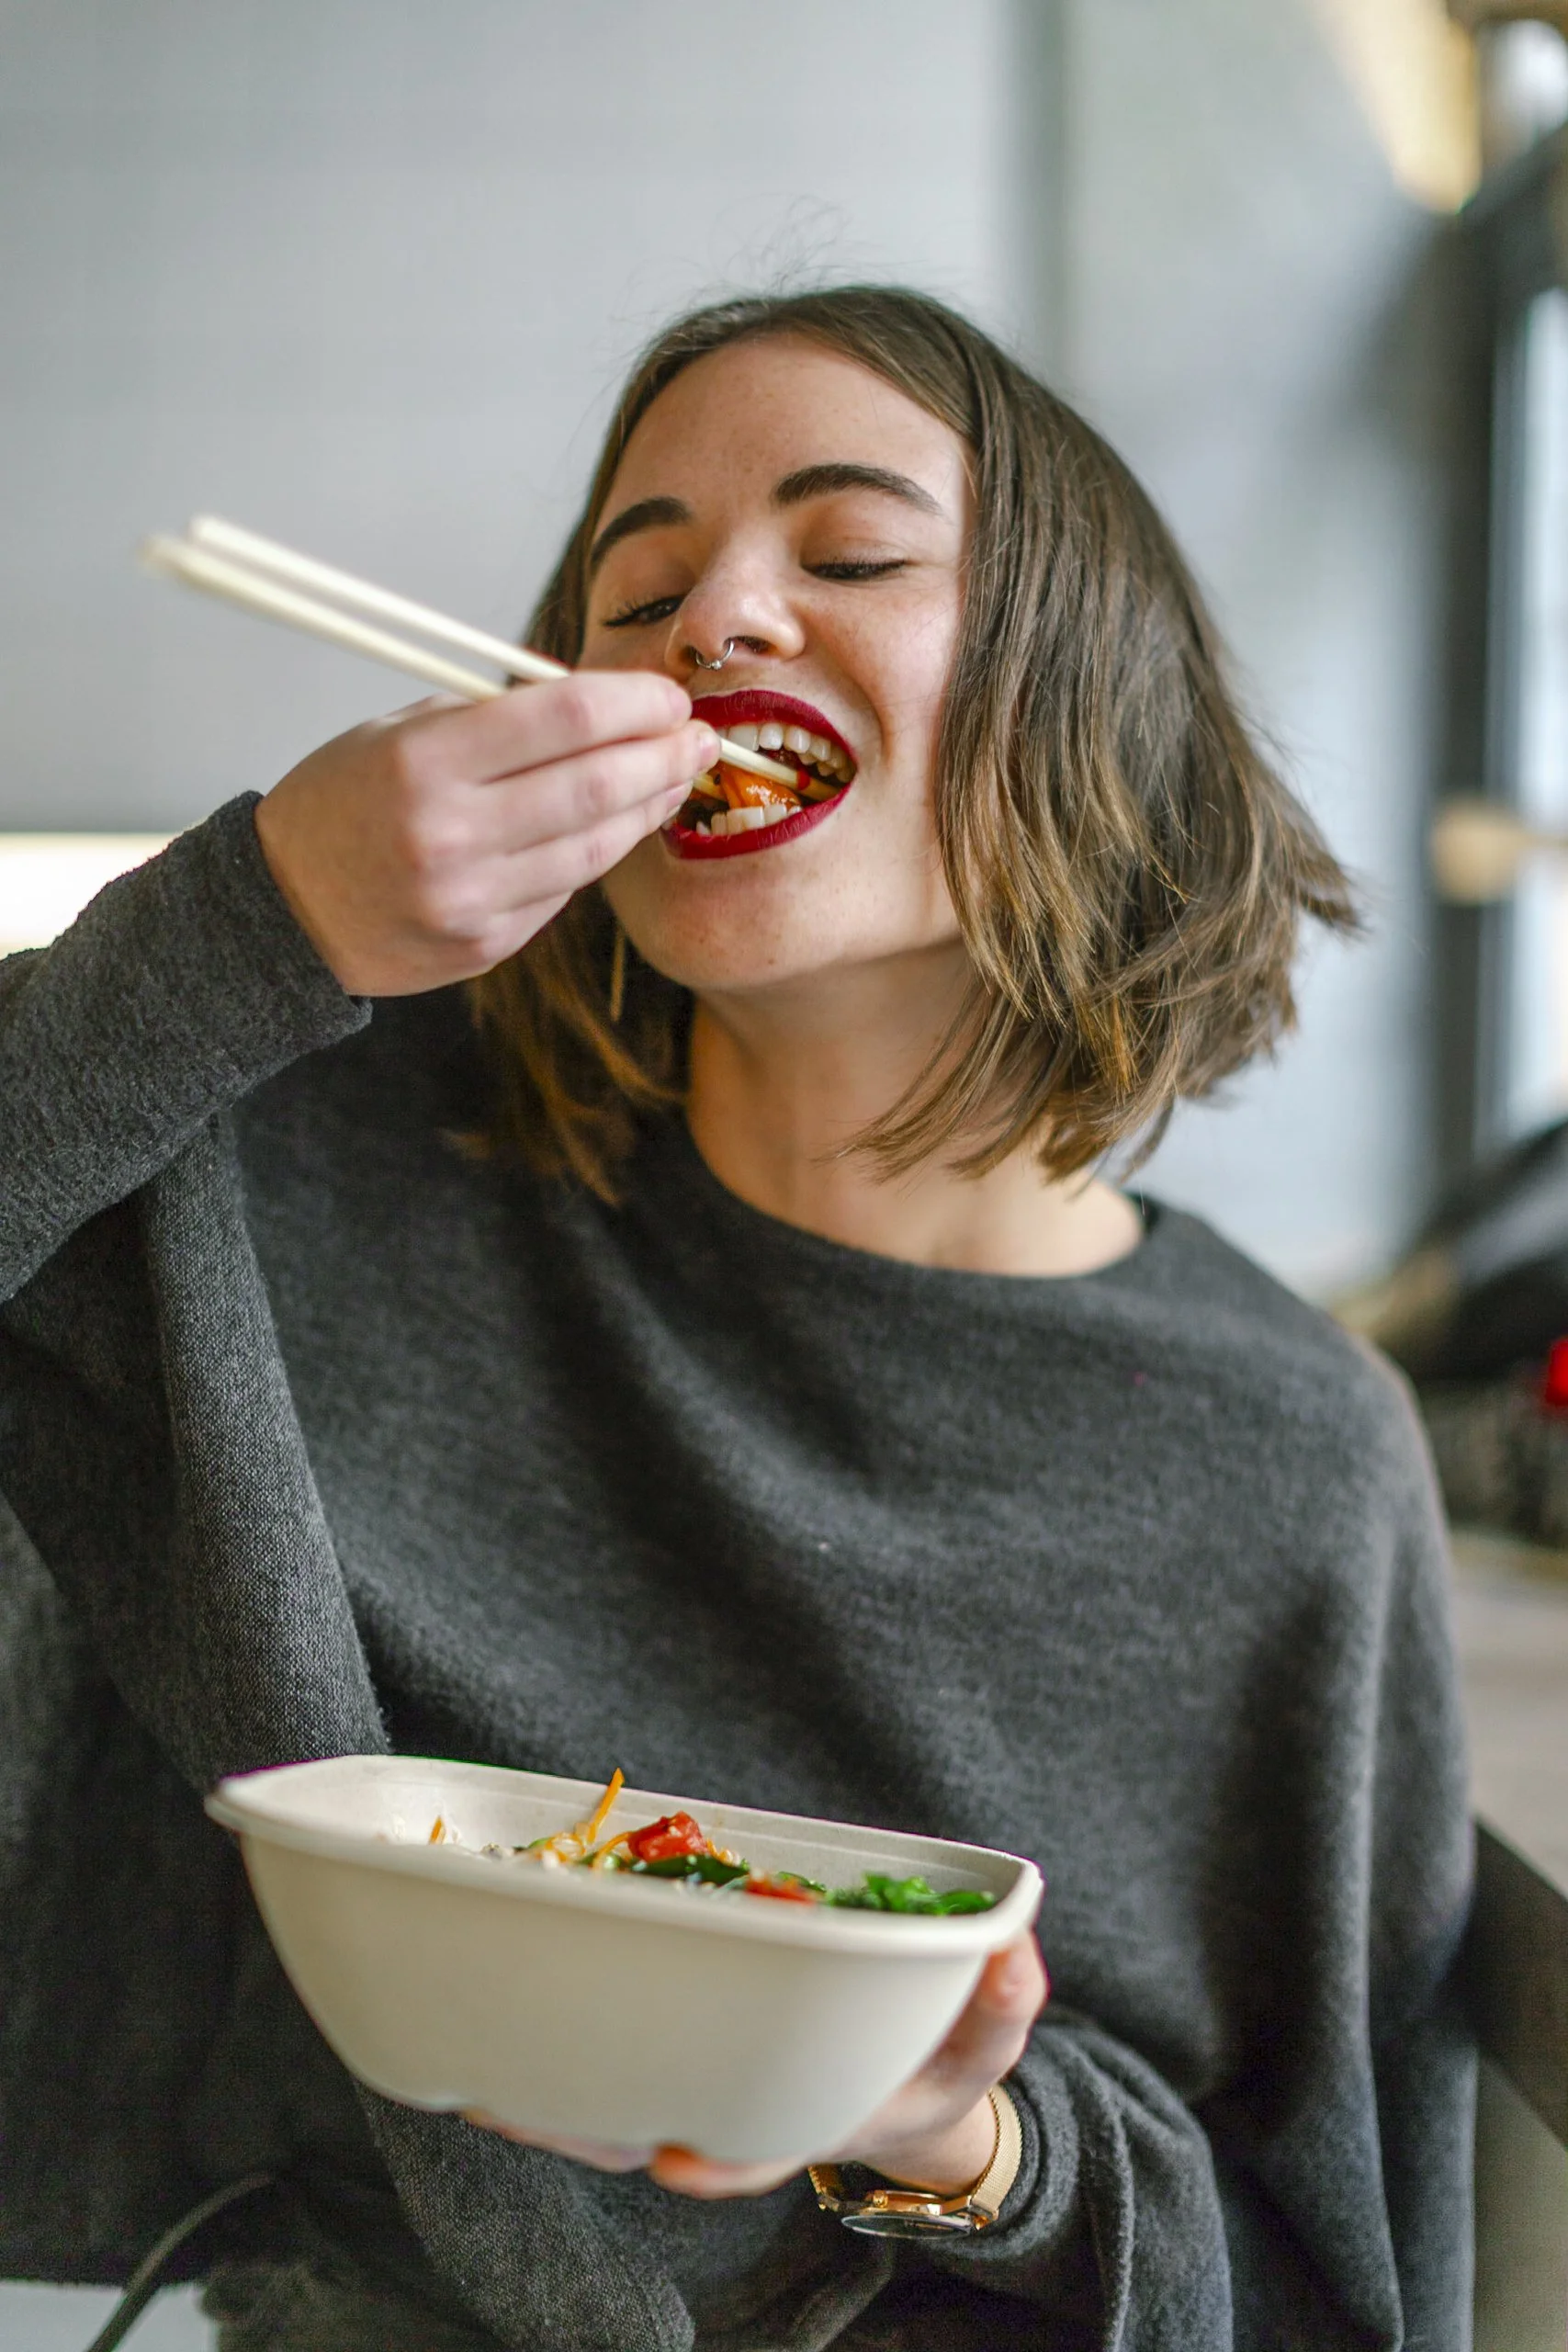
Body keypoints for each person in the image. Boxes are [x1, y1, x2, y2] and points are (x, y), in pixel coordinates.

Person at [0, 288, 1473, 2350]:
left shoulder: (1288, 1457)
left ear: (1086, 687)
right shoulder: (306, 1160)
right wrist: (268, 912)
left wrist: (961, 2140)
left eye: (850, 553)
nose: (716, 627)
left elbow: (1322, 2269)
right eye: (639, 589)